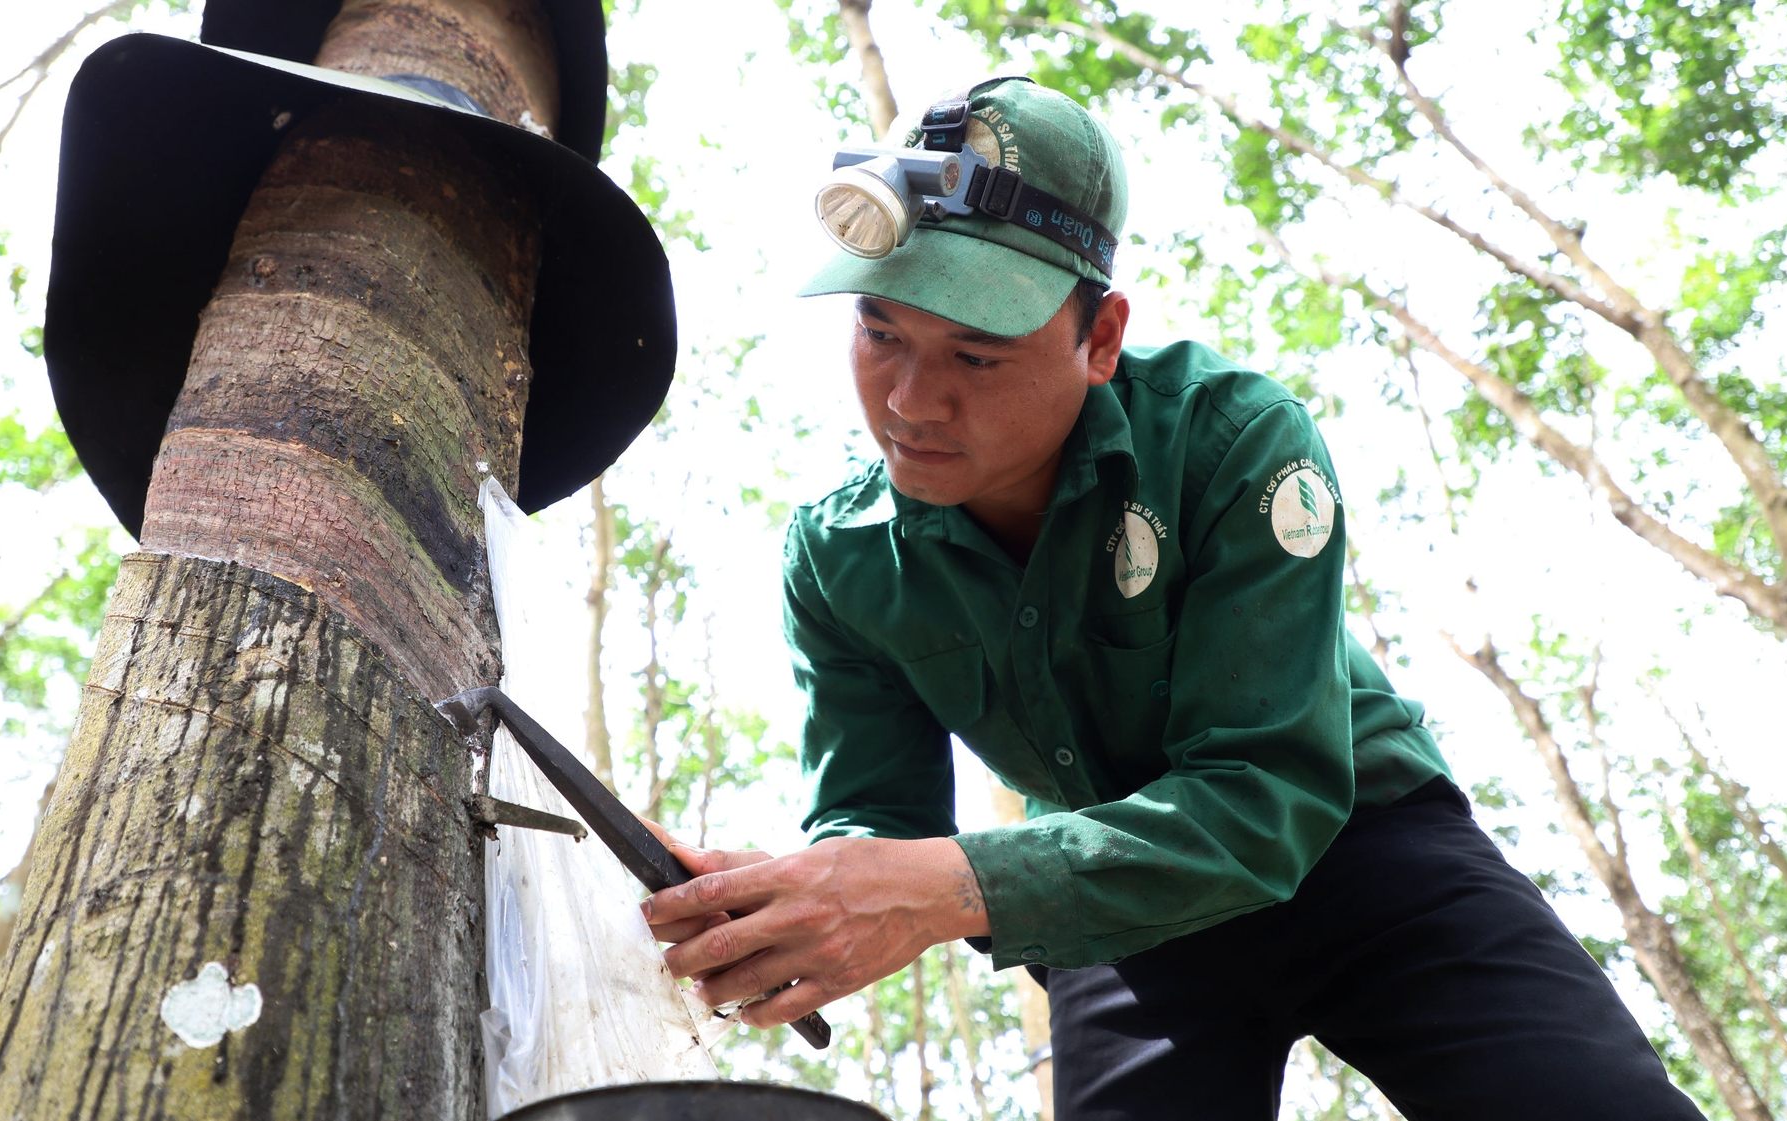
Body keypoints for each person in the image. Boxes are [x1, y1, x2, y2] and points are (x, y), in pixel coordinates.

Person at [642, 76, 1706, 1120]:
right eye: (881, 334)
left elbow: (1261, 799)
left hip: (1356, 849)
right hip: (1107, 911)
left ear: (1100, 338)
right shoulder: (840, 558)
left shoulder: (1232, 442)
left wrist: (937, 886)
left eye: (976, 351)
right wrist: (801, 894)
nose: (912, 402)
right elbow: (880, 820)